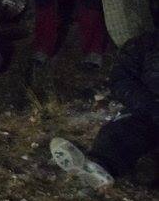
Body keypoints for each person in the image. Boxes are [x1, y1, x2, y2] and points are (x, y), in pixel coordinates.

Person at [50, 32, 159, 190]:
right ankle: (98, 169)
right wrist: (149, 105)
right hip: (146, 111)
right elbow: (121, 80)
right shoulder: (144, 44)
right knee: (119, 133)